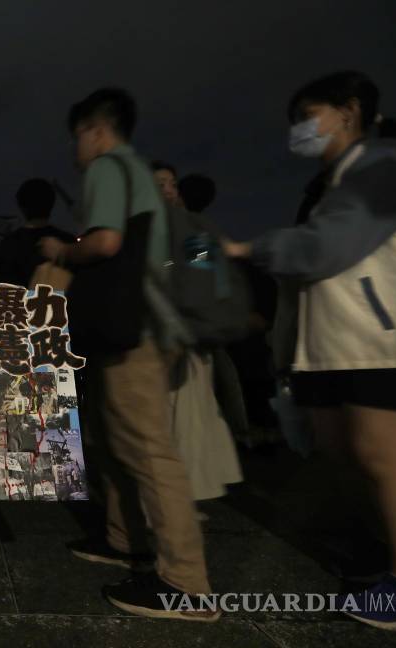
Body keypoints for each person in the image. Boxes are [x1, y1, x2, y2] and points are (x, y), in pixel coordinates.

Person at [223, 70, 396, 631]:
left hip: (383, 344)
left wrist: (247, 248)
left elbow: (326, 246)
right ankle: (384, 555)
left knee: (385, 461)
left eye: (308, 116)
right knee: (347, 459)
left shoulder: (387, 162)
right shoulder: (339, 179)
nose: (299, 130)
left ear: (349, 111)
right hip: (335, 345)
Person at [39, 88, 217, 621]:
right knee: (117, 439)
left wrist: (61, 250)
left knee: (148, 448)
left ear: (94, 131)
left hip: (135, 328)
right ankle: (124, 539)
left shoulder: (109, 166)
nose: (75, 150)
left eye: (76, 137)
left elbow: (106, 242)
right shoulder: (140, 177)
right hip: (146, 326)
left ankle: (186, 583)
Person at [151, 161, 243, 510]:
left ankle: (179, 501)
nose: (168, 190)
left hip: (184, 335)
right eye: (160, 184)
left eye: (171, 183)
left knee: (185, 418)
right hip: (166, 333)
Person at [0, 179, 76, 287]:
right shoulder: (67, 241)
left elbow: (5, 285)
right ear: (51, 204)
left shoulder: (9, 244)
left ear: (21, 206)